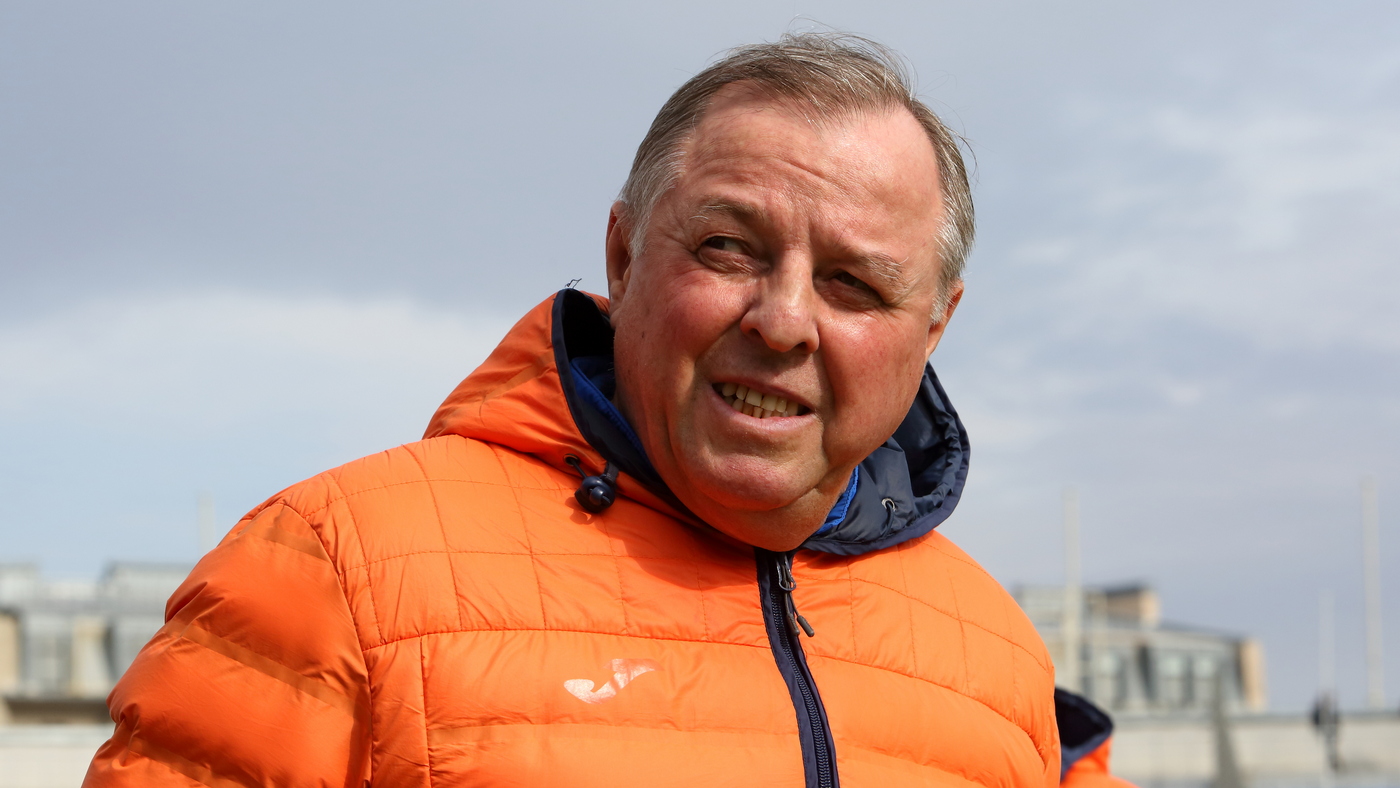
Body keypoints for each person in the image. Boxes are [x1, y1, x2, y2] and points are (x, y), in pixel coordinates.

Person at [85, 33, 1075, 786]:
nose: (782, 322)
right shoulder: (336, 569)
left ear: (933, 325)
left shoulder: (996, 660)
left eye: (853, 282)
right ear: (623, 257)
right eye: (728, 247)